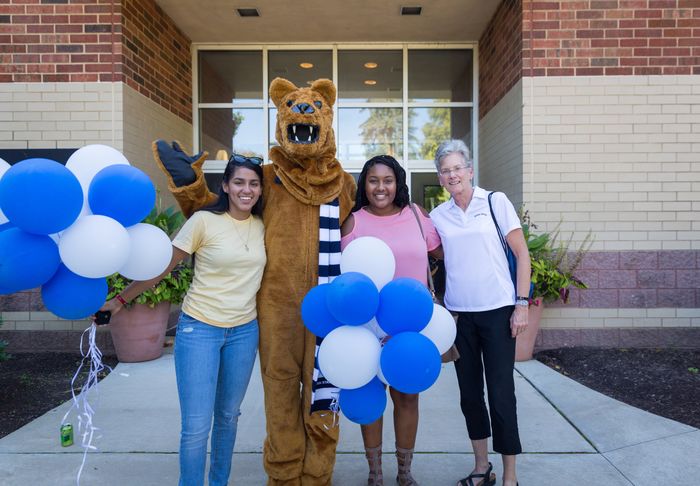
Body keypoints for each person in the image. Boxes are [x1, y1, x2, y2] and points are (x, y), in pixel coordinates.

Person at [100, 155, 266, 486]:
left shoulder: (264, 225)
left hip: (244, 332)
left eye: (253, 183)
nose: (246, 190)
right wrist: (120, 300)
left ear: (260, 189)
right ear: (225, 186)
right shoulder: (203, 221)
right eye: (239, 182)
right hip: (200, 329)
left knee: (229, 417)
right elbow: (162, 265)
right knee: (196, 426)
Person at [429, 140, 529, 486]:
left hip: (499, 312)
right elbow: (434, 256)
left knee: (501, 394)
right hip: (460, 317)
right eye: (446, 170)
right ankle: (481, 466)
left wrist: (521, 304)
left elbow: (522, 254)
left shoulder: (494, 202)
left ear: (470, 170)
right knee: (470, 395)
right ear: (440, 178)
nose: (453, 174)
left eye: (458, 168)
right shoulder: (438, 216)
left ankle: (510, 476)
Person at [340, 155, 441, 486]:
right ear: (363, 185)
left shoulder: (417, 216)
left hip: (410, 324)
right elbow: (338, 272)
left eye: (387, 180)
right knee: (371, 396)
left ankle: (404, 471)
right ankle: (375, 473)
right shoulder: (353, 222)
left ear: (398, 182)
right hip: (367, 326)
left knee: (407, 395)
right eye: (373, 180)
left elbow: (442, 253)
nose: (380, 187)